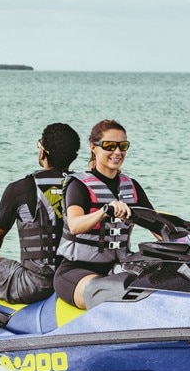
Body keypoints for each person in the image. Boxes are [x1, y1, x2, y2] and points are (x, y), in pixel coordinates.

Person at [0, 122, 80, 339]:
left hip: (36, 283)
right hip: (73, 278)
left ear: (43, 152)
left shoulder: (20, 189)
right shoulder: (82, 187)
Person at [54, 119, 155, 309]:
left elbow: (157, 225)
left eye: (122, 146)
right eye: (109, 146)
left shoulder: (132, 186)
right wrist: (104, 211)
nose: (117, 152)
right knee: (110, 292)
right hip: (75, 271)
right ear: (93, 147)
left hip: (117, 268)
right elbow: (75, 225)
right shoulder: (78, 185)